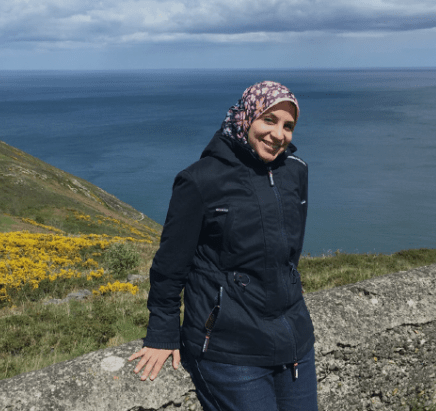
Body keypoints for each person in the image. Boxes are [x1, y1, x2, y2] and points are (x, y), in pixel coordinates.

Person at [129, 81, 318, 411]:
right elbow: (170, 265)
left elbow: (289, 255)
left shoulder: (295, 171)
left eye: (288, 126)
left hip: (294, 341)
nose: (279, 134)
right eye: (269, 120)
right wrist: (162, 332)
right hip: (230, 349)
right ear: (246, 117)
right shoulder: (201, 179)